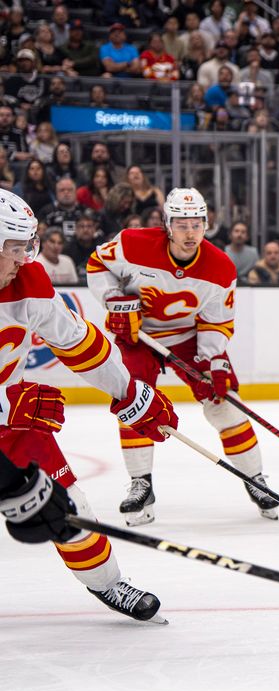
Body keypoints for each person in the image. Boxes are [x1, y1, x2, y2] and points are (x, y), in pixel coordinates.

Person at [0, 188, 176, 620]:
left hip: (13, 430)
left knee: (69, 507)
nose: (25, 258)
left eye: (27, 246)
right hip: (10, 414)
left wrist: (129, 391)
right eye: (15, 248)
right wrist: (6, 406)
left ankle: (108, 583)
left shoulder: (29, 283)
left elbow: (80, 344)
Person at [86, 188, 279, 525]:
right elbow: (97, 263)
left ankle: (255, 478)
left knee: (224, 404)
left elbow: (217, 321)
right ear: (167, 224)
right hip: (138, 335)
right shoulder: (133, 243)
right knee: (135, 402)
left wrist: (212, 361)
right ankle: (141, 484)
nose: (190, 233)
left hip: (190, 336)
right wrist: (114, 300)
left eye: (197, 224)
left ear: (206, 225)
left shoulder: (220, 267)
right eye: (182, 224)